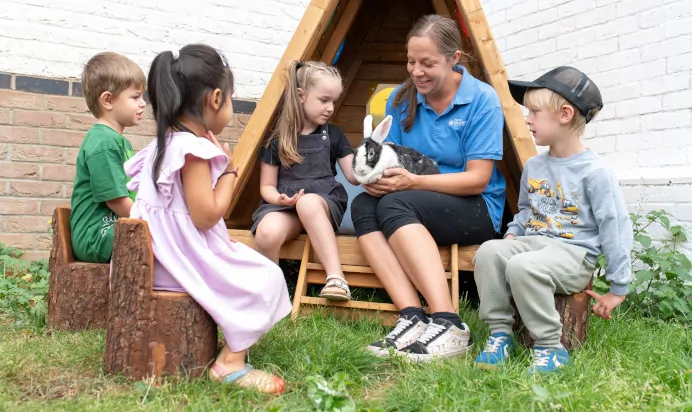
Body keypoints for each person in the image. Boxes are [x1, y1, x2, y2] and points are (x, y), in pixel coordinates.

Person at [124, 44, 291, 394]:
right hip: (177, 263)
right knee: (267, 277)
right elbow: (206, 215)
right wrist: (229, 171)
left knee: (250, 267)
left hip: (156, 259)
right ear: (216, 98)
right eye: (231, 99)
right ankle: (230, 363)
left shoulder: (164, 144)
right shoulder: (193, 150)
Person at [353, 14, 507, 362]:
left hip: (475, 206)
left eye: (427, 63)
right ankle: (412, 317)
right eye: (411, 61)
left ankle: (449, 322)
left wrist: (412, 182)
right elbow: (386, 157)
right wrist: (375, 179)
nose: (416, 71)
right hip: (415, 198)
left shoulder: (482, 100)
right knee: (363, 205)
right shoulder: (401, 99)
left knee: (396, 206)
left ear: (454, 59)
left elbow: (478, 178)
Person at [473, 66, 633, 374]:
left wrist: (618, 287)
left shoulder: (595, 172)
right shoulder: (535, 166)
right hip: (535, 243)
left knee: (523, 267)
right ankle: (500, 335)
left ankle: (550, 347)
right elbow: (525, 212)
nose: (528, 119)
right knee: (489, 252)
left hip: (574, 254)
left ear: (565, 114)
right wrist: (511, 237)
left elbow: (615, 229)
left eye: (534, 111)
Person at [251, 60, 359, 301]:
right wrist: (278, 198)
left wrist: (371, 163)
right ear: (301, 95)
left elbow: (353, 176)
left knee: (308, 203)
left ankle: (336, 279)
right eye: (324, 100)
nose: (330, 108)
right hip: (286, 207)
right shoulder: (277, 140)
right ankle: (272, 294)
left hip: (322, 204)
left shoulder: (333, 134)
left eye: (334, 101)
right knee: (267, 232)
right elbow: (267, 186)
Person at [70, 52, 146, 263]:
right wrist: (150, 221)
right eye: (135, 97)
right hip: (97, 235)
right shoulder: (103, 142)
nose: (143, 104)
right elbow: (115, 200)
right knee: (160, 236)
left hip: (114, 227)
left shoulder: (119, 142)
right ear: (108, 100)